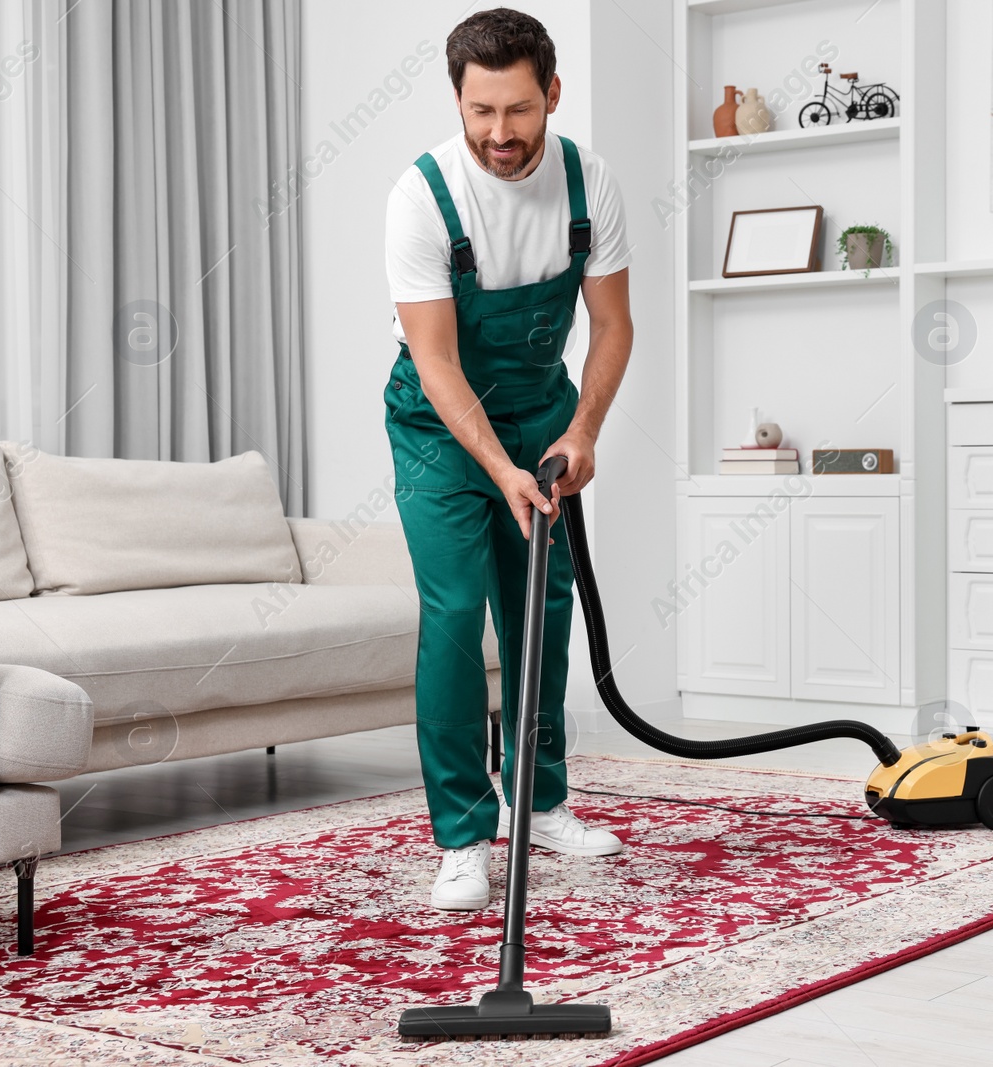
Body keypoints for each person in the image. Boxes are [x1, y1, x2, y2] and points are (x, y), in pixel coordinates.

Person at [382, 7, 634, 911]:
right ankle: (461, 833)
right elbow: (440, 363)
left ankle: (542, 799)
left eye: (518, 110)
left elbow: (611, 326)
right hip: (438, 428)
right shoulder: (422, 197)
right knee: (454, 612)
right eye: (480, 111)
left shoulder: (586, 181)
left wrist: (584, 432)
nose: (499, 133)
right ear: (458, 101)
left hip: (543, 415)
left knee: (543, 607)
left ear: (552, 95)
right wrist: (500, 470)